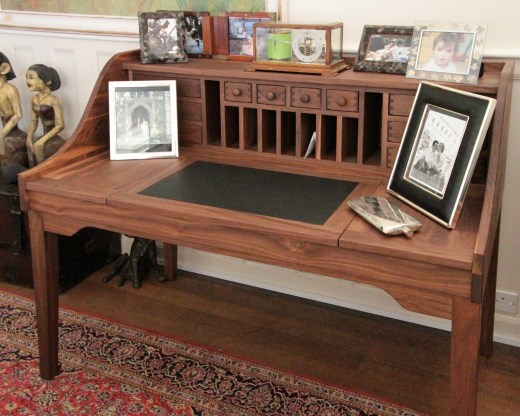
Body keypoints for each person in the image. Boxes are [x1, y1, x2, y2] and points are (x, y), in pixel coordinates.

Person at [25, 64, 66, 167]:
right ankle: (31, 175)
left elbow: (60, 125)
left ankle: (41, 176)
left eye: (31, 78)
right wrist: (29, 138)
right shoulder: (34, 99)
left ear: (47, 81)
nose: (27, 81)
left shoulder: (54, 100)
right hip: (44, 133)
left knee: (38, 146)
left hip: (52, 136)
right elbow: (34, 121)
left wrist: (42, 140)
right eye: (26, 77)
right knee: (30, 145)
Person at [0, 52, 28, 169]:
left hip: (12, 131)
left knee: (7, 148)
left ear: (4, 68)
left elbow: (18, 114)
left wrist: (2, 133)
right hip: (5, 130)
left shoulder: (10, 89)